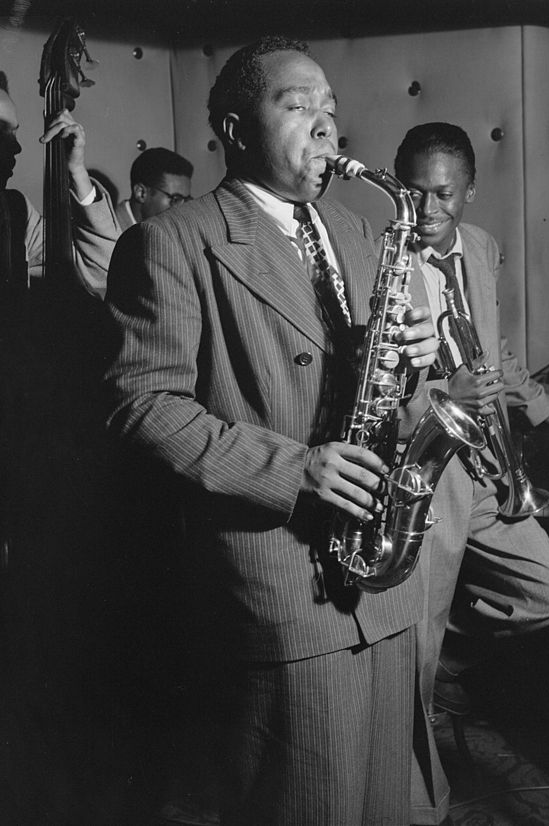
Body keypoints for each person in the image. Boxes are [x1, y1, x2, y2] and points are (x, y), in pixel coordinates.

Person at [104, 36, 441, 826]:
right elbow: (142, 406)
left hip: (385, 581)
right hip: (283, 584)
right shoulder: (171, 240)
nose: (326, 128)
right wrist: (296, 470)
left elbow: (383, 389)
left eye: (330, 110)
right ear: (233, 128)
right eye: (297, 107)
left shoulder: (363, 236)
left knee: (389, 808)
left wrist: (416, 360)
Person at [393, 122, 549, 822]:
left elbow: (491, 351)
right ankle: (425, 805)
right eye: (413, 191)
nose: (427, 208)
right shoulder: (378, 258)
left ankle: (447, 666)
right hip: (428, 472)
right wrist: (443, 399)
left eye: (443, 193)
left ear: (469, 191)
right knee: (408, 653)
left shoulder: (481, 247)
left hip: (485, 467)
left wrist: (538, 406)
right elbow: (366, 382)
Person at [0, 72, 120, 300]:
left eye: (14, 132)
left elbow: (101, 270)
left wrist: (75, 170)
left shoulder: (15, 211)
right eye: (0, 132)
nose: (17, 147)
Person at [115, 146, 193, 231]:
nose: (182, 211)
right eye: (176, 199)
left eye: (186, 200)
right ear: (141, 193)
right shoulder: (108, 236)